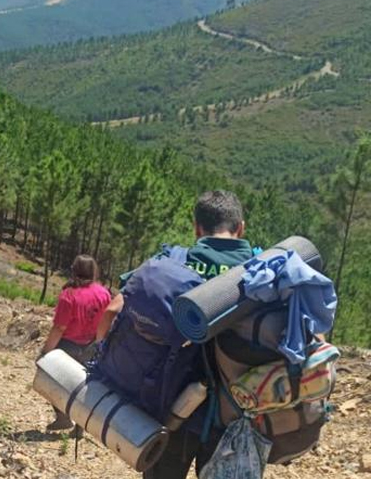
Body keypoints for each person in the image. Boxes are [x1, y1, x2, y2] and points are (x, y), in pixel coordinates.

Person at [97, 190, 256, 479]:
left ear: (197, 227)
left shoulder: (173, 260)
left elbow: (112, 310)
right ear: (240, 228)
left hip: (175, 412)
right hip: (238, 420)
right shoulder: (264, 271)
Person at [39, 254, 111, 431]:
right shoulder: (103, 293)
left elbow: (59, 328)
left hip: (67, 346)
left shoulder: (68, 295)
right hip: (93, 344)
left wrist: (45, 352)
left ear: (74, 270)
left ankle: (63, 417)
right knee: (85, 386)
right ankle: (81, 424)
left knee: (53, 380)